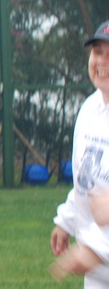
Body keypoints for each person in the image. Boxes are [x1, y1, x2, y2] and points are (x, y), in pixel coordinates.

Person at [51, 20, 109, 287]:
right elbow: (85, 177)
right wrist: (67, 220)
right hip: (97, 272)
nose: (102, 62)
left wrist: (95, 250)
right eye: (98, 52)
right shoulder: (89, 109)